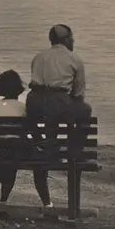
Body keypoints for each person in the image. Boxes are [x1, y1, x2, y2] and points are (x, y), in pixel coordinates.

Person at [25, 23, 92, 209]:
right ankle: (73, 152)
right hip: (58, 100)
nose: (73, 41)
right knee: (85, 110)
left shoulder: (39, 57)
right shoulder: (74, 59)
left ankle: (46, 145)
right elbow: (79, 94)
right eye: (71, 38)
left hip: (34, 101)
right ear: (66, 39)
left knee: (47, 123)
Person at [0, 69, 33, 207]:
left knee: (6, 155)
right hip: (16, 153)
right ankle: (3, 200)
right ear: (19, 89)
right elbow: (26, 131)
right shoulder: (24, 108)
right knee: (13, 161)